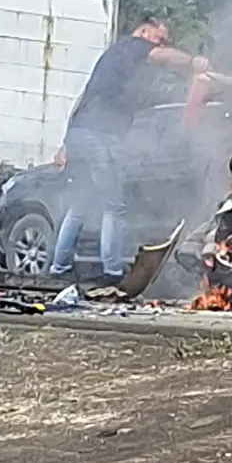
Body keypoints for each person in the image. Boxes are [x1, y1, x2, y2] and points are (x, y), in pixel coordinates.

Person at [49, 16, 211, 286]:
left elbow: (84, 97)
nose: (161, 44)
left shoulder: (115, 58)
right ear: (144, 30)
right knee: (114, 205)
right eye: (159, 38)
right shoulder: (132, 46)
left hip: (82, 132)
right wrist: (194, 62)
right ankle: (113, 271)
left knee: (82, 204)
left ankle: (59, 268)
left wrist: (67, 142)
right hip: (100, 135)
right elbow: (163, 57)